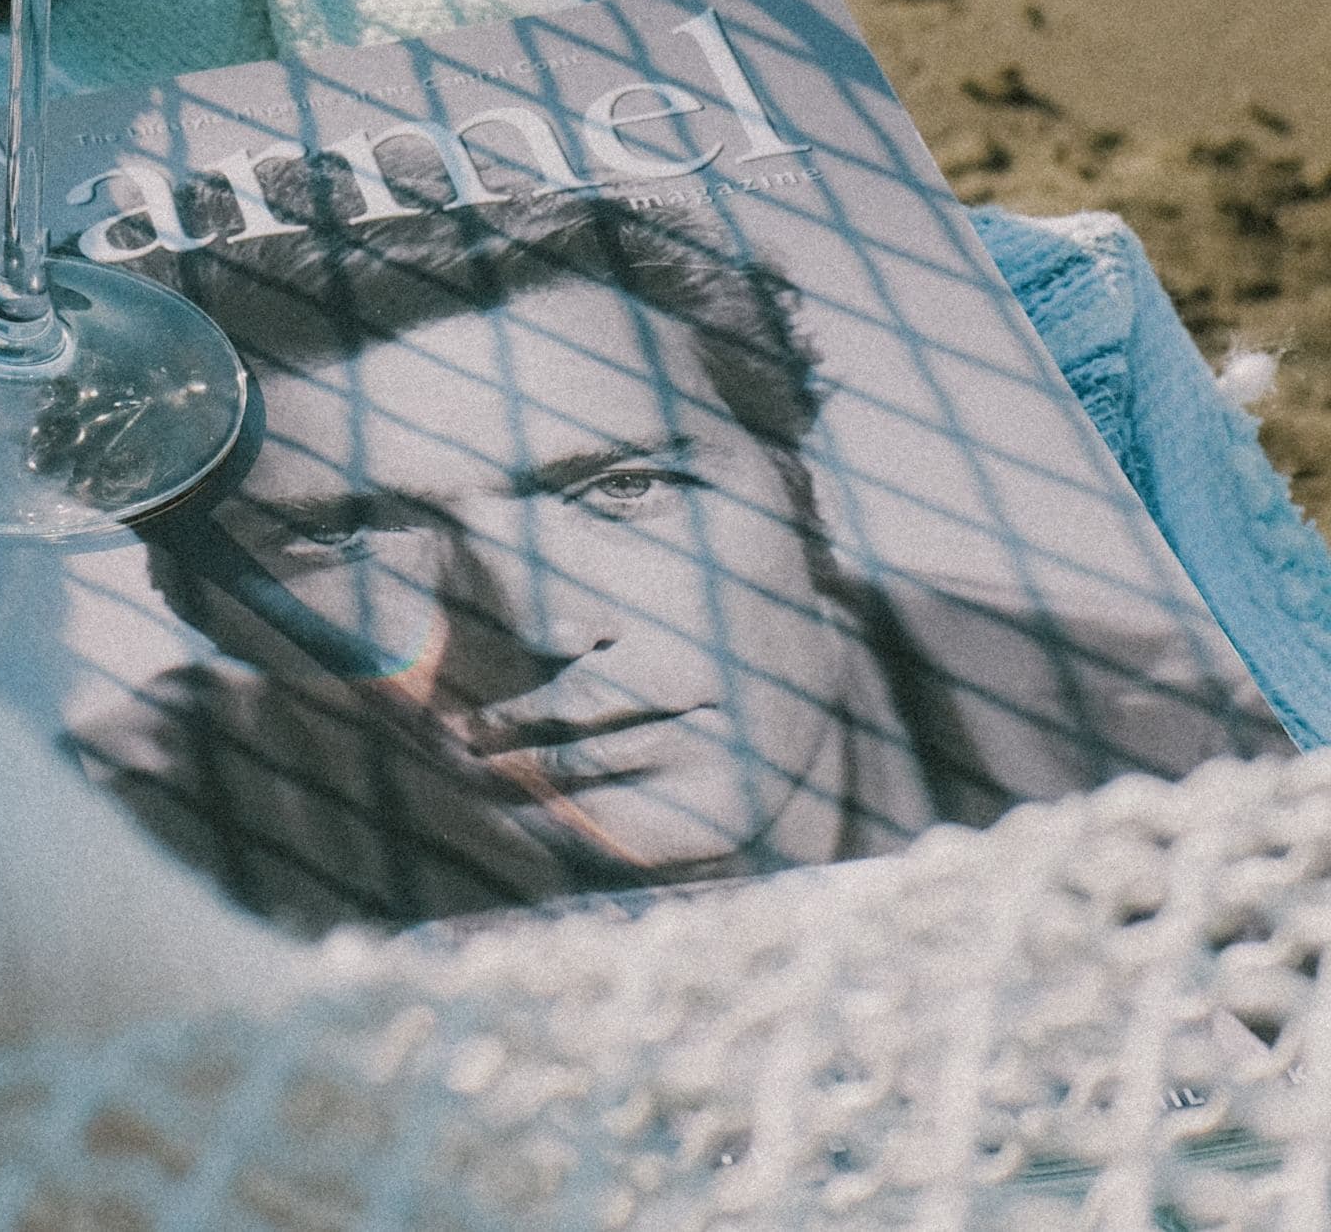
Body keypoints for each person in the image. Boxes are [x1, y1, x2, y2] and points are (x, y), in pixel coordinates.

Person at [67, 179, 1279, 934]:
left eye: (623, 488)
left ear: (796, 497)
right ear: (201, 603)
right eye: (339, 536)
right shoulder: (97, 853)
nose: (537, 625)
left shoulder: (1200, 765)